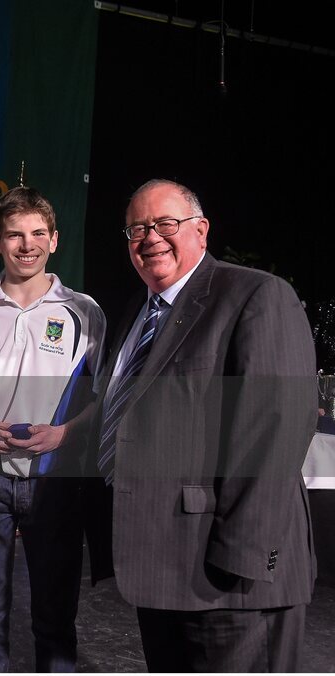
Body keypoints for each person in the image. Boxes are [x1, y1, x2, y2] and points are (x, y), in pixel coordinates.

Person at [90, 178, 316, 671]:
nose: (150, 237)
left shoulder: (257, 295)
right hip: (164, 573)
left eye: (165, 223)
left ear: (202, 230)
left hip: (232, 583)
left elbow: (274, 434)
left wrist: (239, 562)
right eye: (136, 229)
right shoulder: (138, 313)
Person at [0, 187, 105, 672]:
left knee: (54, 617)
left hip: (54, 481)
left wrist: (64, 435)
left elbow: (107, 400)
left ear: (55, 240)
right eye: (14, 234)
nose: (27, 244)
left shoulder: (84, 310)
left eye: (38, 233)